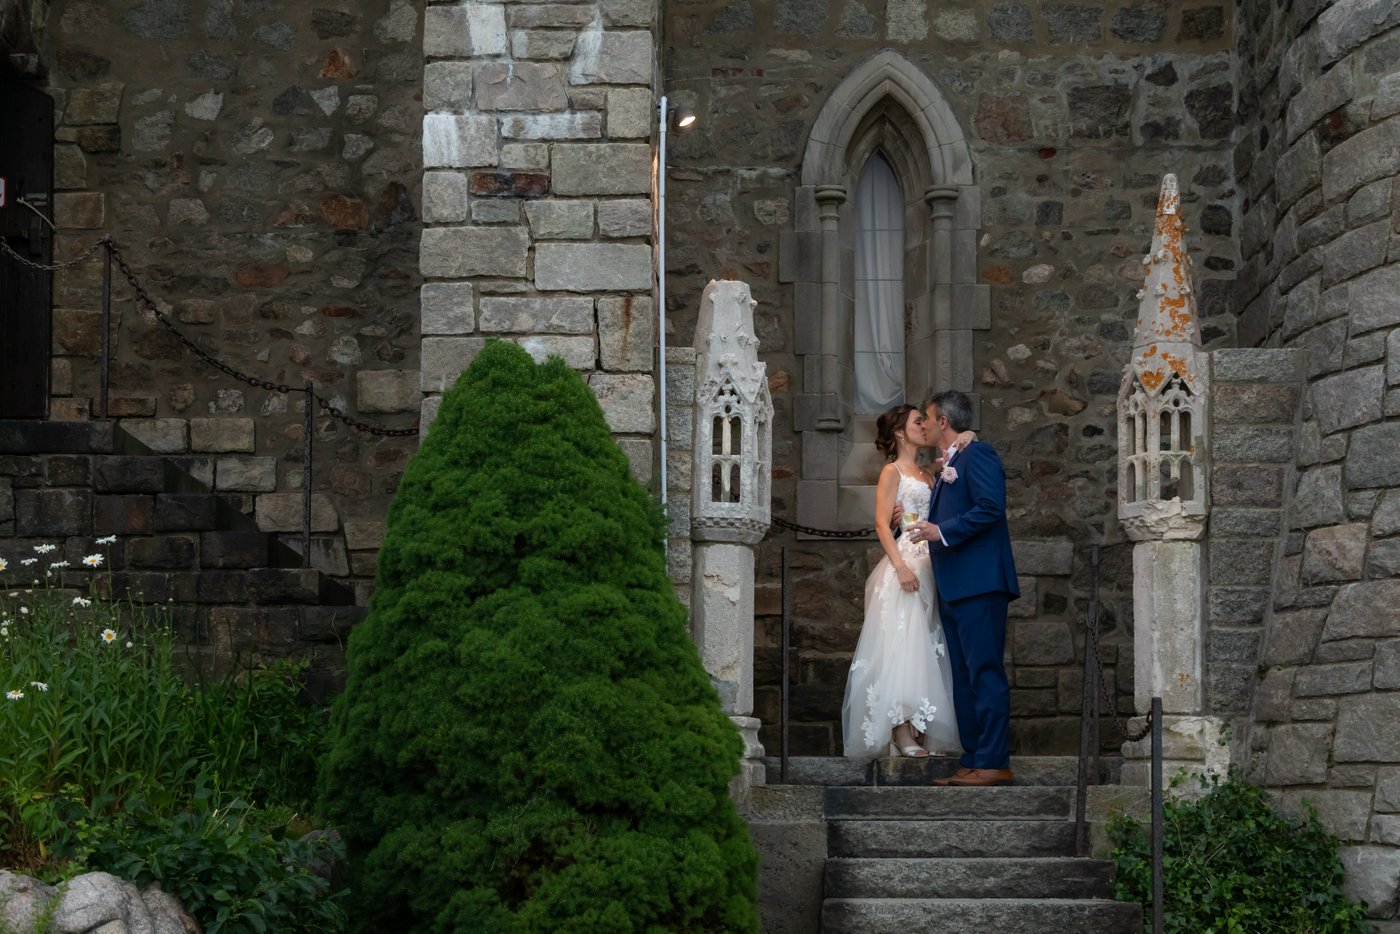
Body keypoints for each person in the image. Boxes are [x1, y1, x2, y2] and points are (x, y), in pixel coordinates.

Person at [909, 390, 1020, 786]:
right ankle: (974, 758)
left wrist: (941, 530)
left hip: (980, 583)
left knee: (985, 672)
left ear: (943, 421)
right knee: (963, 676)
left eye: (927, 416)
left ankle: (993, 761)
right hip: (955, 586)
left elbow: (991, 507)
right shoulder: (951, 461)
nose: (922, 423)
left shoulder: (978, 454)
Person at [840, 404, 961, 760]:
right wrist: (901, 567)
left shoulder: (929, 473)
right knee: (901, 645)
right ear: (899, 432)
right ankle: (899, 730)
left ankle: (920, 727)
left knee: (926, 643)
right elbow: (882, 524)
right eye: (917, 421)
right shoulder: (892, 472)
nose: (925, 426)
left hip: (931, 565)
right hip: (906, 564)